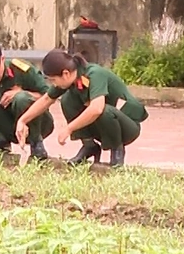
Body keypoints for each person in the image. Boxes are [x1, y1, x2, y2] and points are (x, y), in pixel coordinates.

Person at [17, 48, 147, 168]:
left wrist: (69, 128)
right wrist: (22, 121)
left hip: (127, 126)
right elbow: (46, 99)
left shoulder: (95, 74)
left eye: (53, 80)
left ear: (66, 73)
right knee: (67, 100)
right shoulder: (72, 78)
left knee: (103, 110)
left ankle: (117, 150)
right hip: (103, 126)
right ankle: (89, 145)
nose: (53, 84)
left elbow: (96, 109)